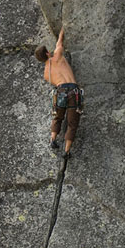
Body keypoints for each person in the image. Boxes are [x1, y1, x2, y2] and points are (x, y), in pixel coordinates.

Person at [34, 27, 82, 159]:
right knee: (72, 123)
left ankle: (53, 139)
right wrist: (63, 27)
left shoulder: (46, 74)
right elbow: (60, 41)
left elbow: (55, 82)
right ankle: (66, 151)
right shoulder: (58, 56)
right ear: (48, 53)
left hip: (60, 91)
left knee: (58, 117)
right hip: (73, 90)